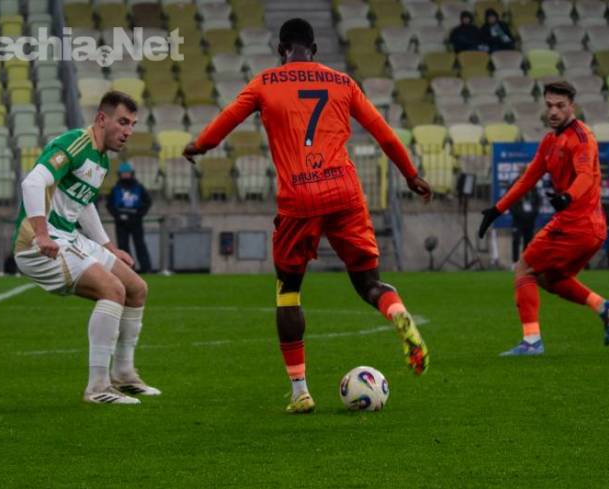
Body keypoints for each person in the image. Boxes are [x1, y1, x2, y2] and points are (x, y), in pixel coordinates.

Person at [183, 18, 433, 413]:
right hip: (345, 192)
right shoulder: (342, 82)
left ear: (281, 49)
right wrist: (412, 175)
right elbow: (384, 133)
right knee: (368, 282)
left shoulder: (265, 82)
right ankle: (398, 312)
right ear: (314, 49)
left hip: (299, 198)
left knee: (288, 291)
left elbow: (227, 120)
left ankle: (300, 391)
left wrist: (200, 145)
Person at [13, 91, 160, 404]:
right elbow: (32, 183)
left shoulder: (101, 158)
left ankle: (124, 373)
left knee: (136, 289)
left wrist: (108, 247)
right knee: (113, 290)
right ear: (101, 119)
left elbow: (84, 203)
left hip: (68, 236)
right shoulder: (75, 144)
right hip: (38, 244)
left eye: (132, 125)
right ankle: (98, 387)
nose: (128, 131)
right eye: (123, 122)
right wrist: (41, 234)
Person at [478, 81, 609, 356]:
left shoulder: (582, 137)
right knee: (549, 279)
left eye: (560, 106)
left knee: (524, 268)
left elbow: (586, 176)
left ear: (572, 106)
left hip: (578, 224)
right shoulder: (550, 141)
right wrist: (497, 209)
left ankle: (531, 342)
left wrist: (568, 197)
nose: (554, 111)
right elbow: (527, 179)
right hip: (584, 227)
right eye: (549, 105)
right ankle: (605, 308)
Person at [107, 162, 153, 273]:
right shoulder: (116, 189)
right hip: (121, 222)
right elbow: (109, 205)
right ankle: (128, 269)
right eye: (123, 173)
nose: (126, 175)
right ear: (120, 174)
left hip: (136, 221)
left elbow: (147, 202)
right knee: (123, 246)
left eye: (127, 173)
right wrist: (117, 216)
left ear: (132, 173)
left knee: (140, 244)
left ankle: (146, 268)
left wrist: (139, 214)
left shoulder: (139, 187)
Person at [509, 166, 541, 265]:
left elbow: (537, 201)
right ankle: (515, 262)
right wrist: (518, 213)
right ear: (520, 173)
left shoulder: (533, 185)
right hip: (518, 219)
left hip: (530, 219)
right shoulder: (514, 184)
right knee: (516, 239)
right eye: (524, 173)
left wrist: (534, 213)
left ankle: (525, 262)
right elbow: (509, 201)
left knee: (528, 240)